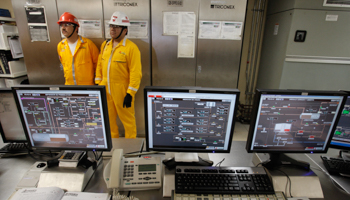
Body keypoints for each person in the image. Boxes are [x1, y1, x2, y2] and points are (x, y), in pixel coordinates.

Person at [95, 11, 142, 138]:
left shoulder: (131, 48)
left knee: (128, 121)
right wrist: (98, 84)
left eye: (116, 26)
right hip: (105, 88)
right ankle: (113, 145)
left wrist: (130, 93)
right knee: (108, 120)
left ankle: (131, 148)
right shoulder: (105, 45)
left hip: (122, 91)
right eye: (111, 26)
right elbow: (99, 64)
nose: (112, 29)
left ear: (125, 30)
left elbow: (136, 72)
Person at [57, 12, 99, 85]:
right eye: (62, 25)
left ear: (76, 28)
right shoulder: (60, 46)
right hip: (70, 88)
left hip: (87, 88)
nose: (63, 28)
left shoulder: (88, 45)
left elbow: (98, 66)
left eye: (66, 25)